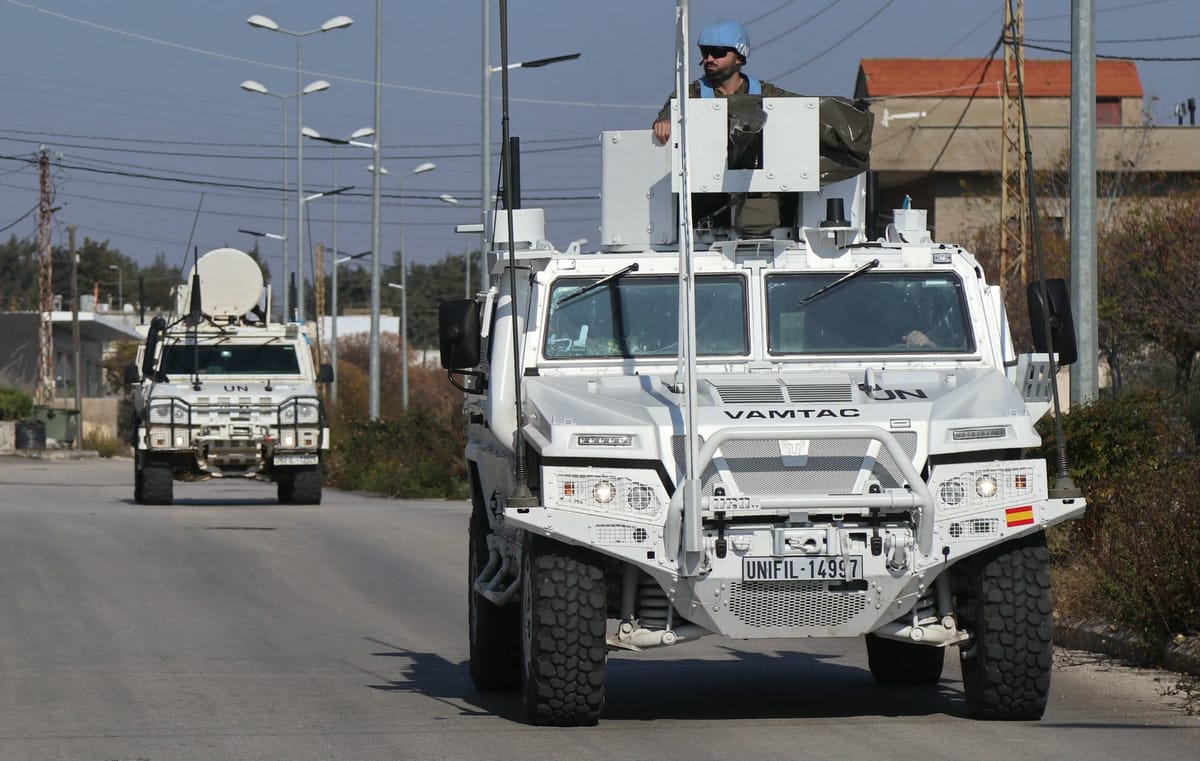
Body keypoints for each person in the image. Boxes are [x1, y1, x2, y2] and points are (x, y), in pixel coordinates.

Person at [652, 20, 796, 145]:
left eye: (718, 52)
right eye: (705, 52)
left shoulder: (765, 93)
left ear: (740, 56)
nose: (709, 59)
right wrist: (665, 122)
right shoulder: (690, 94)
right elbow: (669, 114)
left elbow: (807, 108)